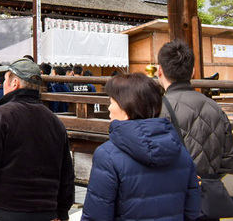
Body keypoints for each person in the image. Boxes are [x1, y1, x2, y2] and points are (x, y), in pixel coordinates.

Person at [0, 58, 74, 221]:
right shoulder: (55, 122)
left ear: (15, 83)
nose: (3, 83)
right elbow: (66, 174)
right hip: (47, 213)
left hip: (6, 212)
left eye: (5, 79)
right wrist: (63, 212)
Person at [81, 73, 200, 221]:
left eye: (112, 102)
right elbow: (192, 211)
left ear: (126, 108)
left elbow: (96, 216)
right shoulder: (180, 151)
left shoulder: (107, 155)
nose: (109, 108)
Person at [158, 40, 233, 221]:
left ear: (159, 70)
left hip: (171, 199)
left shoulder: (157, 109)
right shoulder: (215, 107)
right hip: (206, 201)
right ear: (192, 71)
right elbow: (228, 159)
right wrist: (205, 177)